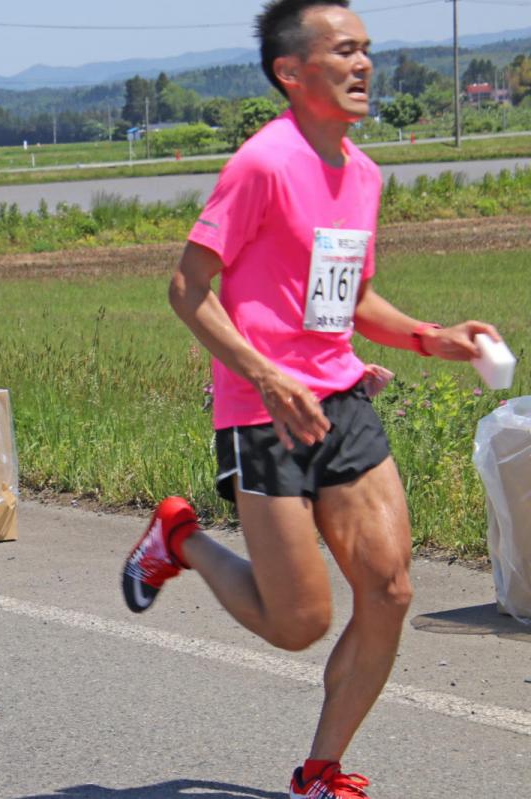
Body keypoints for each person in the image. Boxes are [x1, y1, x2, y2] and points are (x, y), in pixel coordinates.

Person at [120, 2, 504, 796]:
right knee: (299, 622)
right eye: (344, 52)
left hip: (341, 396)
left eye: (368, 50)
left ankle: (320, 771)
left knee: (391, 589)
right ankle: (179, 536)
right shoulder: (263, 164)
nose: (364, 65)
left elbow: (349, 298)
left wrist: (433, 337)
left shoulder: (362, 173)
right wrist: (266, 373)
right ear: (291, 73)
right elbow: (188, 289)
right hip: (261, 409)